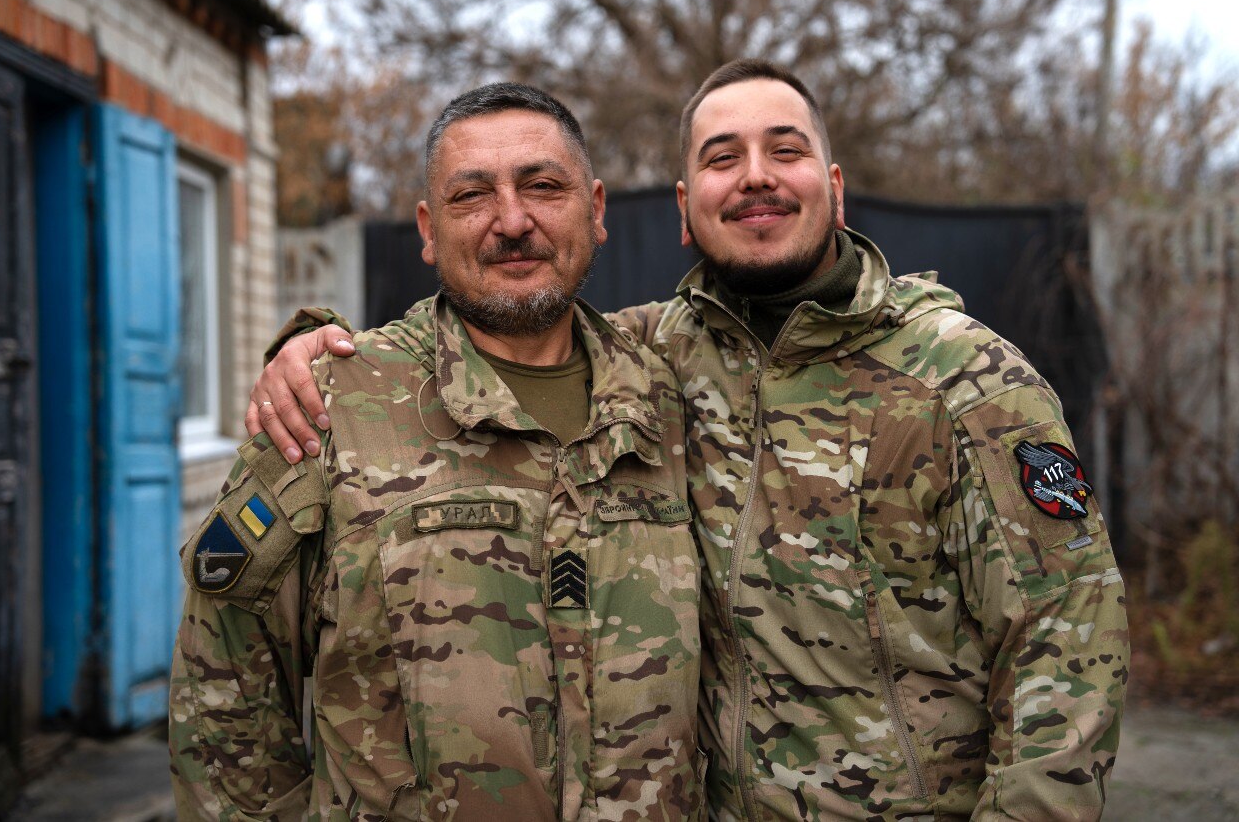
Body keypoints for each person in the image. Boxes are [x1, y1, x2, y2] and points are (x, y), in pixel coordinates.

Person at [251, 60, 1129, 821]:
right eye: (721, 157)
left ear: (834, 184)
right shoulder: (650, 360)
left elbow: (1069, 637)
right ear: (684, 207)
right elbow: (499, 330)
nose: (755, 177)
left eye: (784, 150)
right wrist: (315, 347)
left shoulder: (963, 376)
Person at [169, 83, 705, 821]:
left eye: (543, 187)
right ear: (427, 227)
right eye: (471, 196)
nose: (512, 221)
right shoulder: (333, 407)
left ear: (597, 209)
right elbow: (222, 692)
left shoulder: (672, 400)